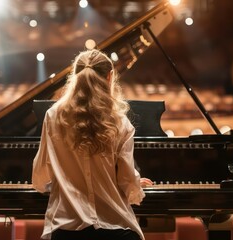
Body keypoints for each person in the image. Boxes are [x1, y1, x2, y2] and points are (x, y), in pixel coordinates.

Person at [32, 49, 152, 240]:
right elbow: (127, 182)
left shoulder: (53, 116)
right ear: (110, 77)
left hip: (66, 230)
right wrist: (135, 186)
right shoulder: (120, 122)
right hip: (114, 227)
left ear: (74, 76)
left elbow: (40, 178)